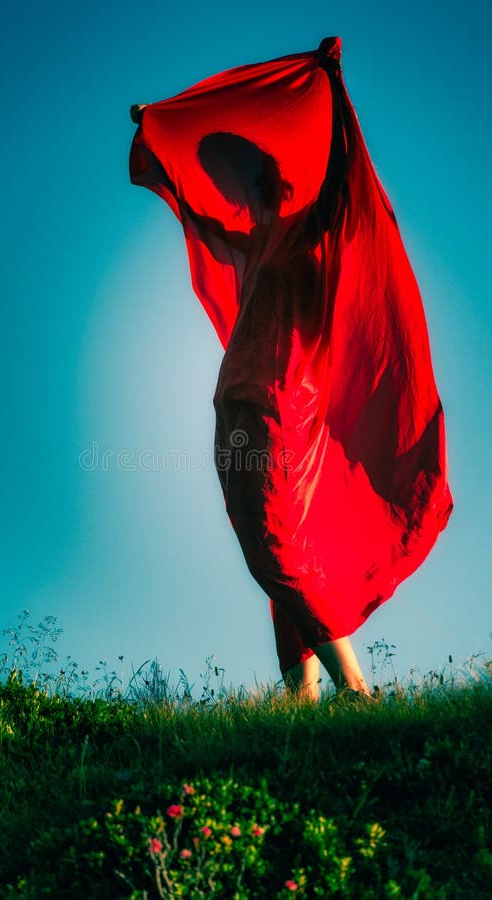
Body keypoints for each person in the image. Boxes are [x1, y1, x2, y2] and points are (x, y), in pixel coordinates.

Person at [129, 38, 453, 701]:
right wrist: (161, 130)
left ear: (273, 182)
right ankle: (301, 696)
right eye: (223, 182)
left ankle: (354, 690)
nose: (228, 192)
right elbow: (193, 203)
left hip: (281, 405)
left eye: (238, 179)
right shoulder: (251, 242)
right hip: (236, 404)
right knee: (269, 541)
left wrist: (329, 91)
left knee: (271, 537)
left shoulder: (311, 234)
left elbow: (343, 181)